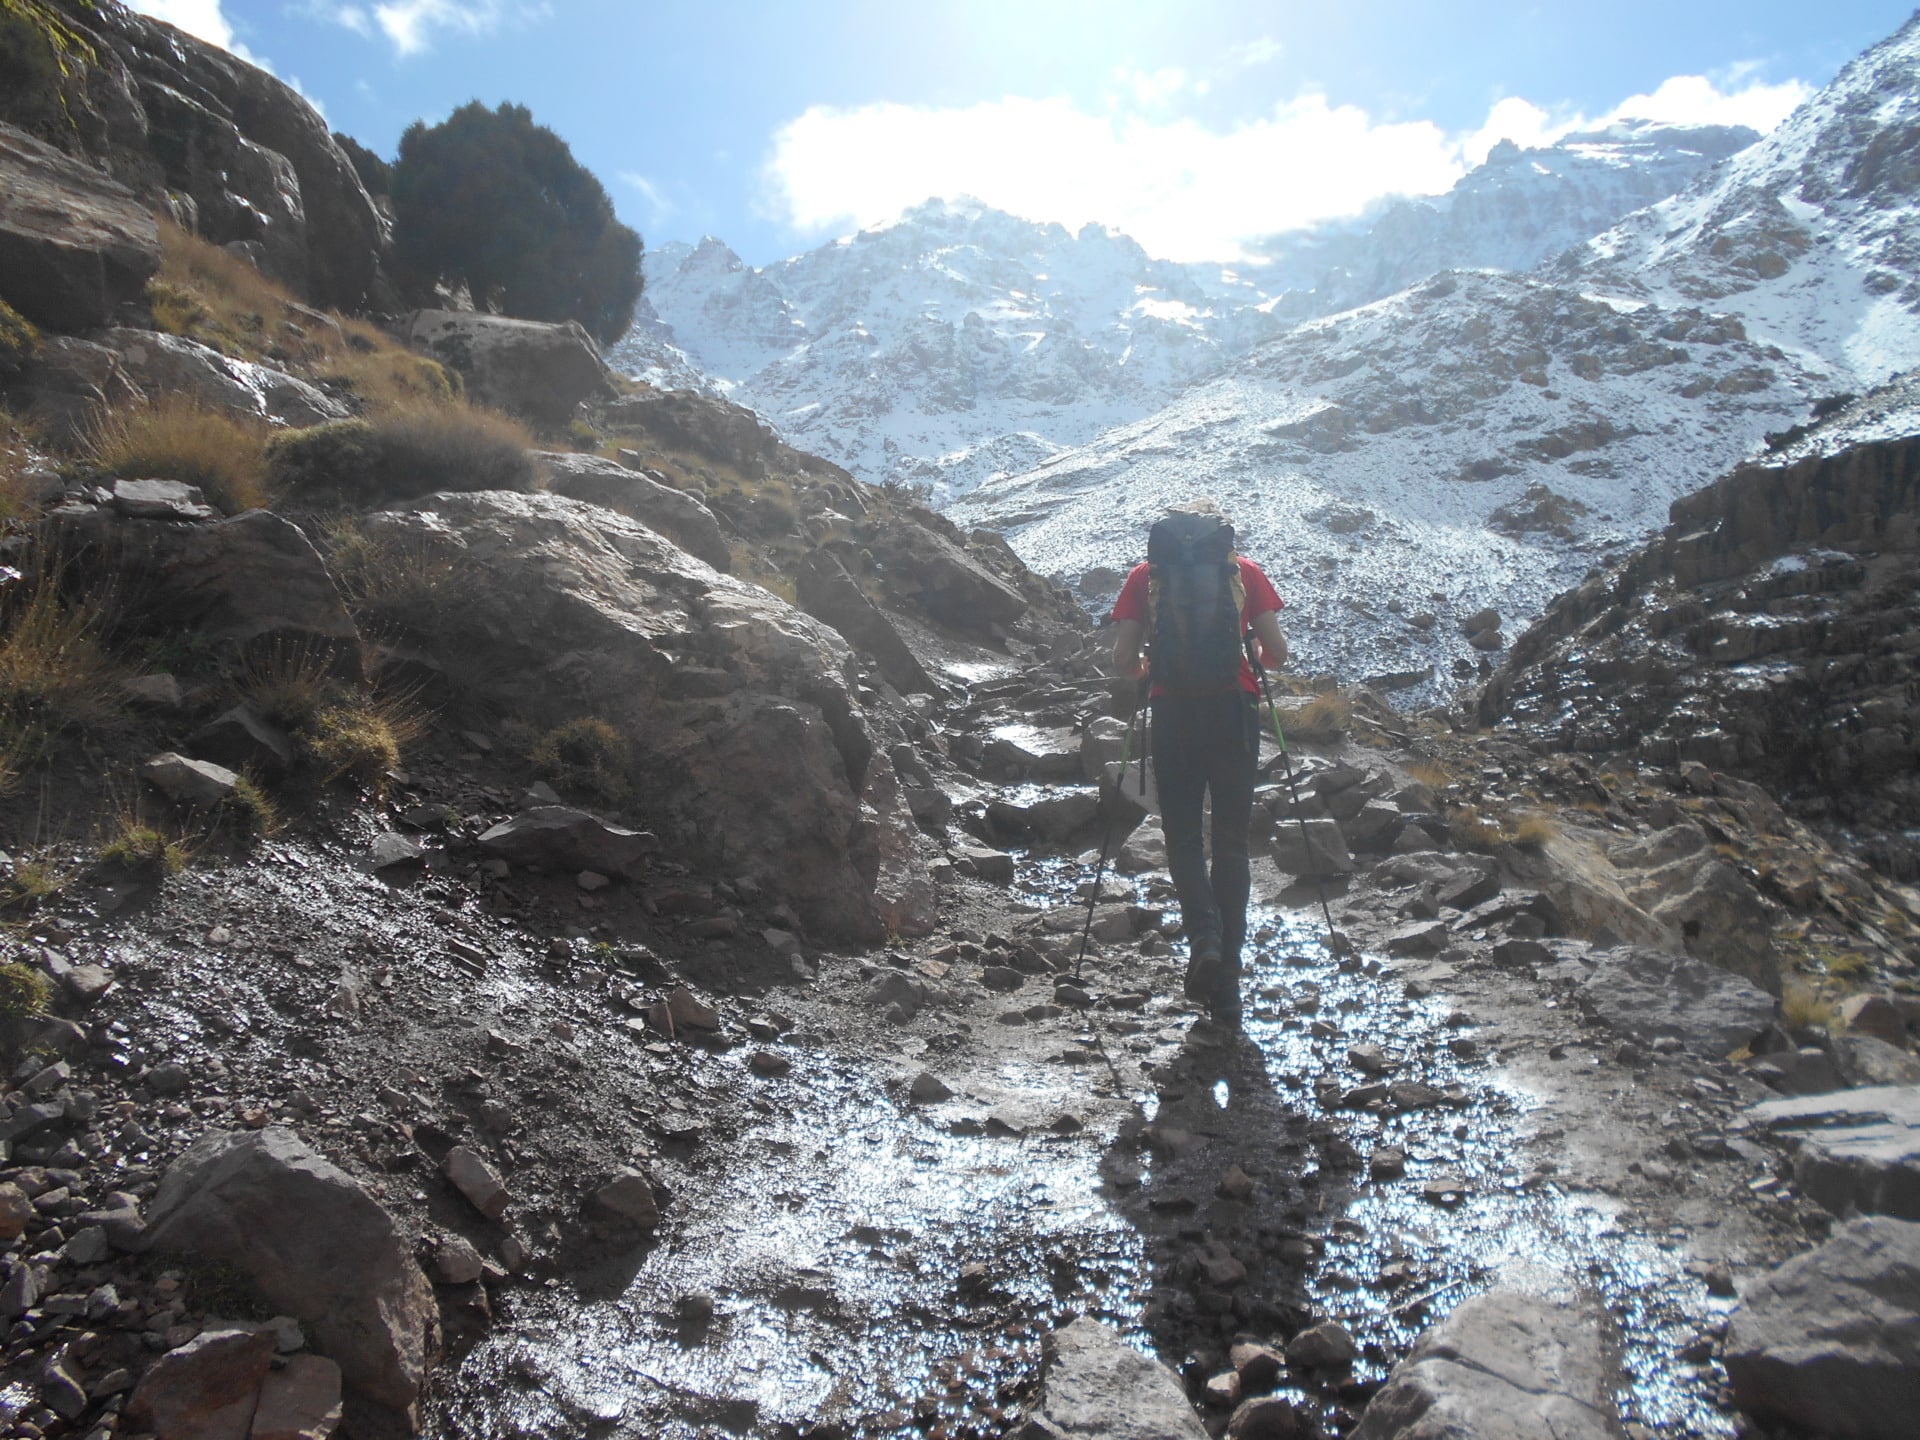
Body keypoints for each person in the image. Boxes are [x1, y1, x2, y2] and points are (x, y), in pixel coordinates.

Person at [1109, 500, 1287, 1026]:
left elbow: (1122, 661)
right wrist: (1252, 655)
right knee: (1231, 843)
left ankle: (1204, 937)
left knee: (1183, 837)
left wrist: (1146, 667)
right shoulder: (1243, 572)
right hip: (1234, 710)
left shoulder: (1146, 576)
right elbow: (1277, 652)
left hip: (1173, 712)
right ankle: (1228, 979)